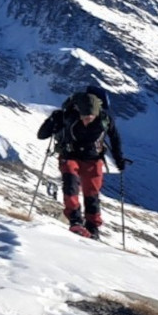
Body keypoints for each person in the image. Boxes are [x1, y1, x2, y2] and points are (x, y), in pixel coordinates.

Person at [36, 89, 128, 237]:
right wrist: (52, 121)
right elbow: (41, 135)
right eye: (84, 117)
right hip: (70, 155)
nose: (86, 120)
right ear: (78, 111)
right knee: (70, 185)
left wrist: (119, 160)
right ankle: (75, 221)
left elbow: (115, 139)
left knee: (91, 193)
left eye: (90, 118)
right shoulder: (67, 117)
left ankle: (92, 227)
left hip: (93, 158)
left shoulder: (105, 120)